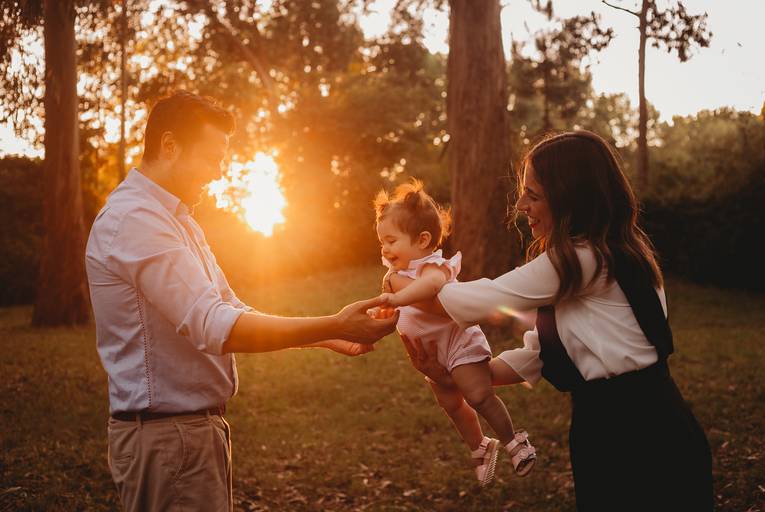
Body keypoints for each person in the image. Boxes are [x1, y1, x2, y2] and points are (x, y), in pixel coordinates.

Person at [85, 91, 398, 512]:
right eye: (212, 157)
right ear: (171, 146)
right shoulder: (136, 221)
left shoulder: (179, 221)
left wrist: (325, 338)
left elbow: (232, 309)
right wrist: (335, 324)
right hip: (168, 441)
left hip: (190, 436)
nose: (218, 172)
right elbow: (217, 326)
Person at [399, 131, 713, 511]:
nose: (520, 205)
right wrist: (460, 373)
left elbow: (471, 300)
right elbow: (543, 351)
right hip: (634, 422)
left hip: (635, 433)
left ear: (569, 198)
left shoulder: (581, 259)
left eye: (533, 195)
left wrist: (404, 283)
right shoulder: (614, 252)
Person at [373, 180, 536, 487]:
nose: (385, 248)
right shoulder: (396, 275)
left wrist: (396, 296)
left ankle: (515, 441)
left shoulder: (432, 267)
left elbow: (431, 289)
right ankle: (480, 446)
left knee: (478, 395)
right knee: (451, 404)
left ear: (422, 240)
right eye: (382, 241)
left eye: (392, 240)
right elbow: (398, 306)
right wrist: (382, 311)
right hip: (432, 353)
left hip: (457, 344)